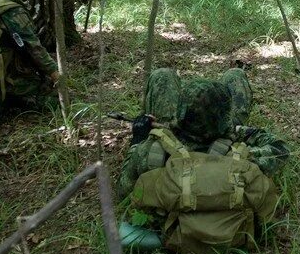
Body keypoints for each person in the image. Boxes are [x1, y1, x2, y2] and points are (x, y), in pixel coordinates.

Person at [116, 67, 288, 200]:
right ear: (225, 119)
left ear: (179, 110)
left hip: (184, 134)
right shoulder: (236, 157)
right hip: (221, 140)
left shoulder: (152, 151)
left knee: (162, 75)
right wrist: (239, 131)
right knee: (235, 75)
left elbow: (123, 190)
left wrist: (138, 138)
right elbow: (280, 148)